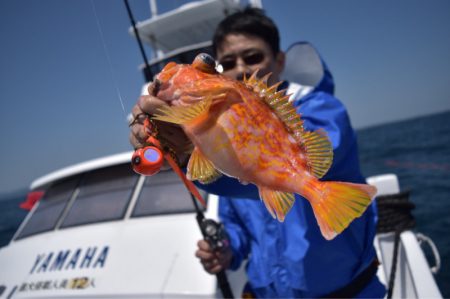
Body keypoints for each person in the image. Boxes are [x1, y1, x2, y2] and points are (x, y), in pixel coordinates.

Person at [129, 7, 386, 299]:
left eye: (252, 57)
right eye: (227, 62)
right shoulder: (220, 121)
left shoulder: (323, 109)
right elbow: (237, 215)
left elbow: (306, 158)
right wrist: (227, 250)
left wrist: (194, 147)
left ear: (279, 60)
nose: (241, 68)